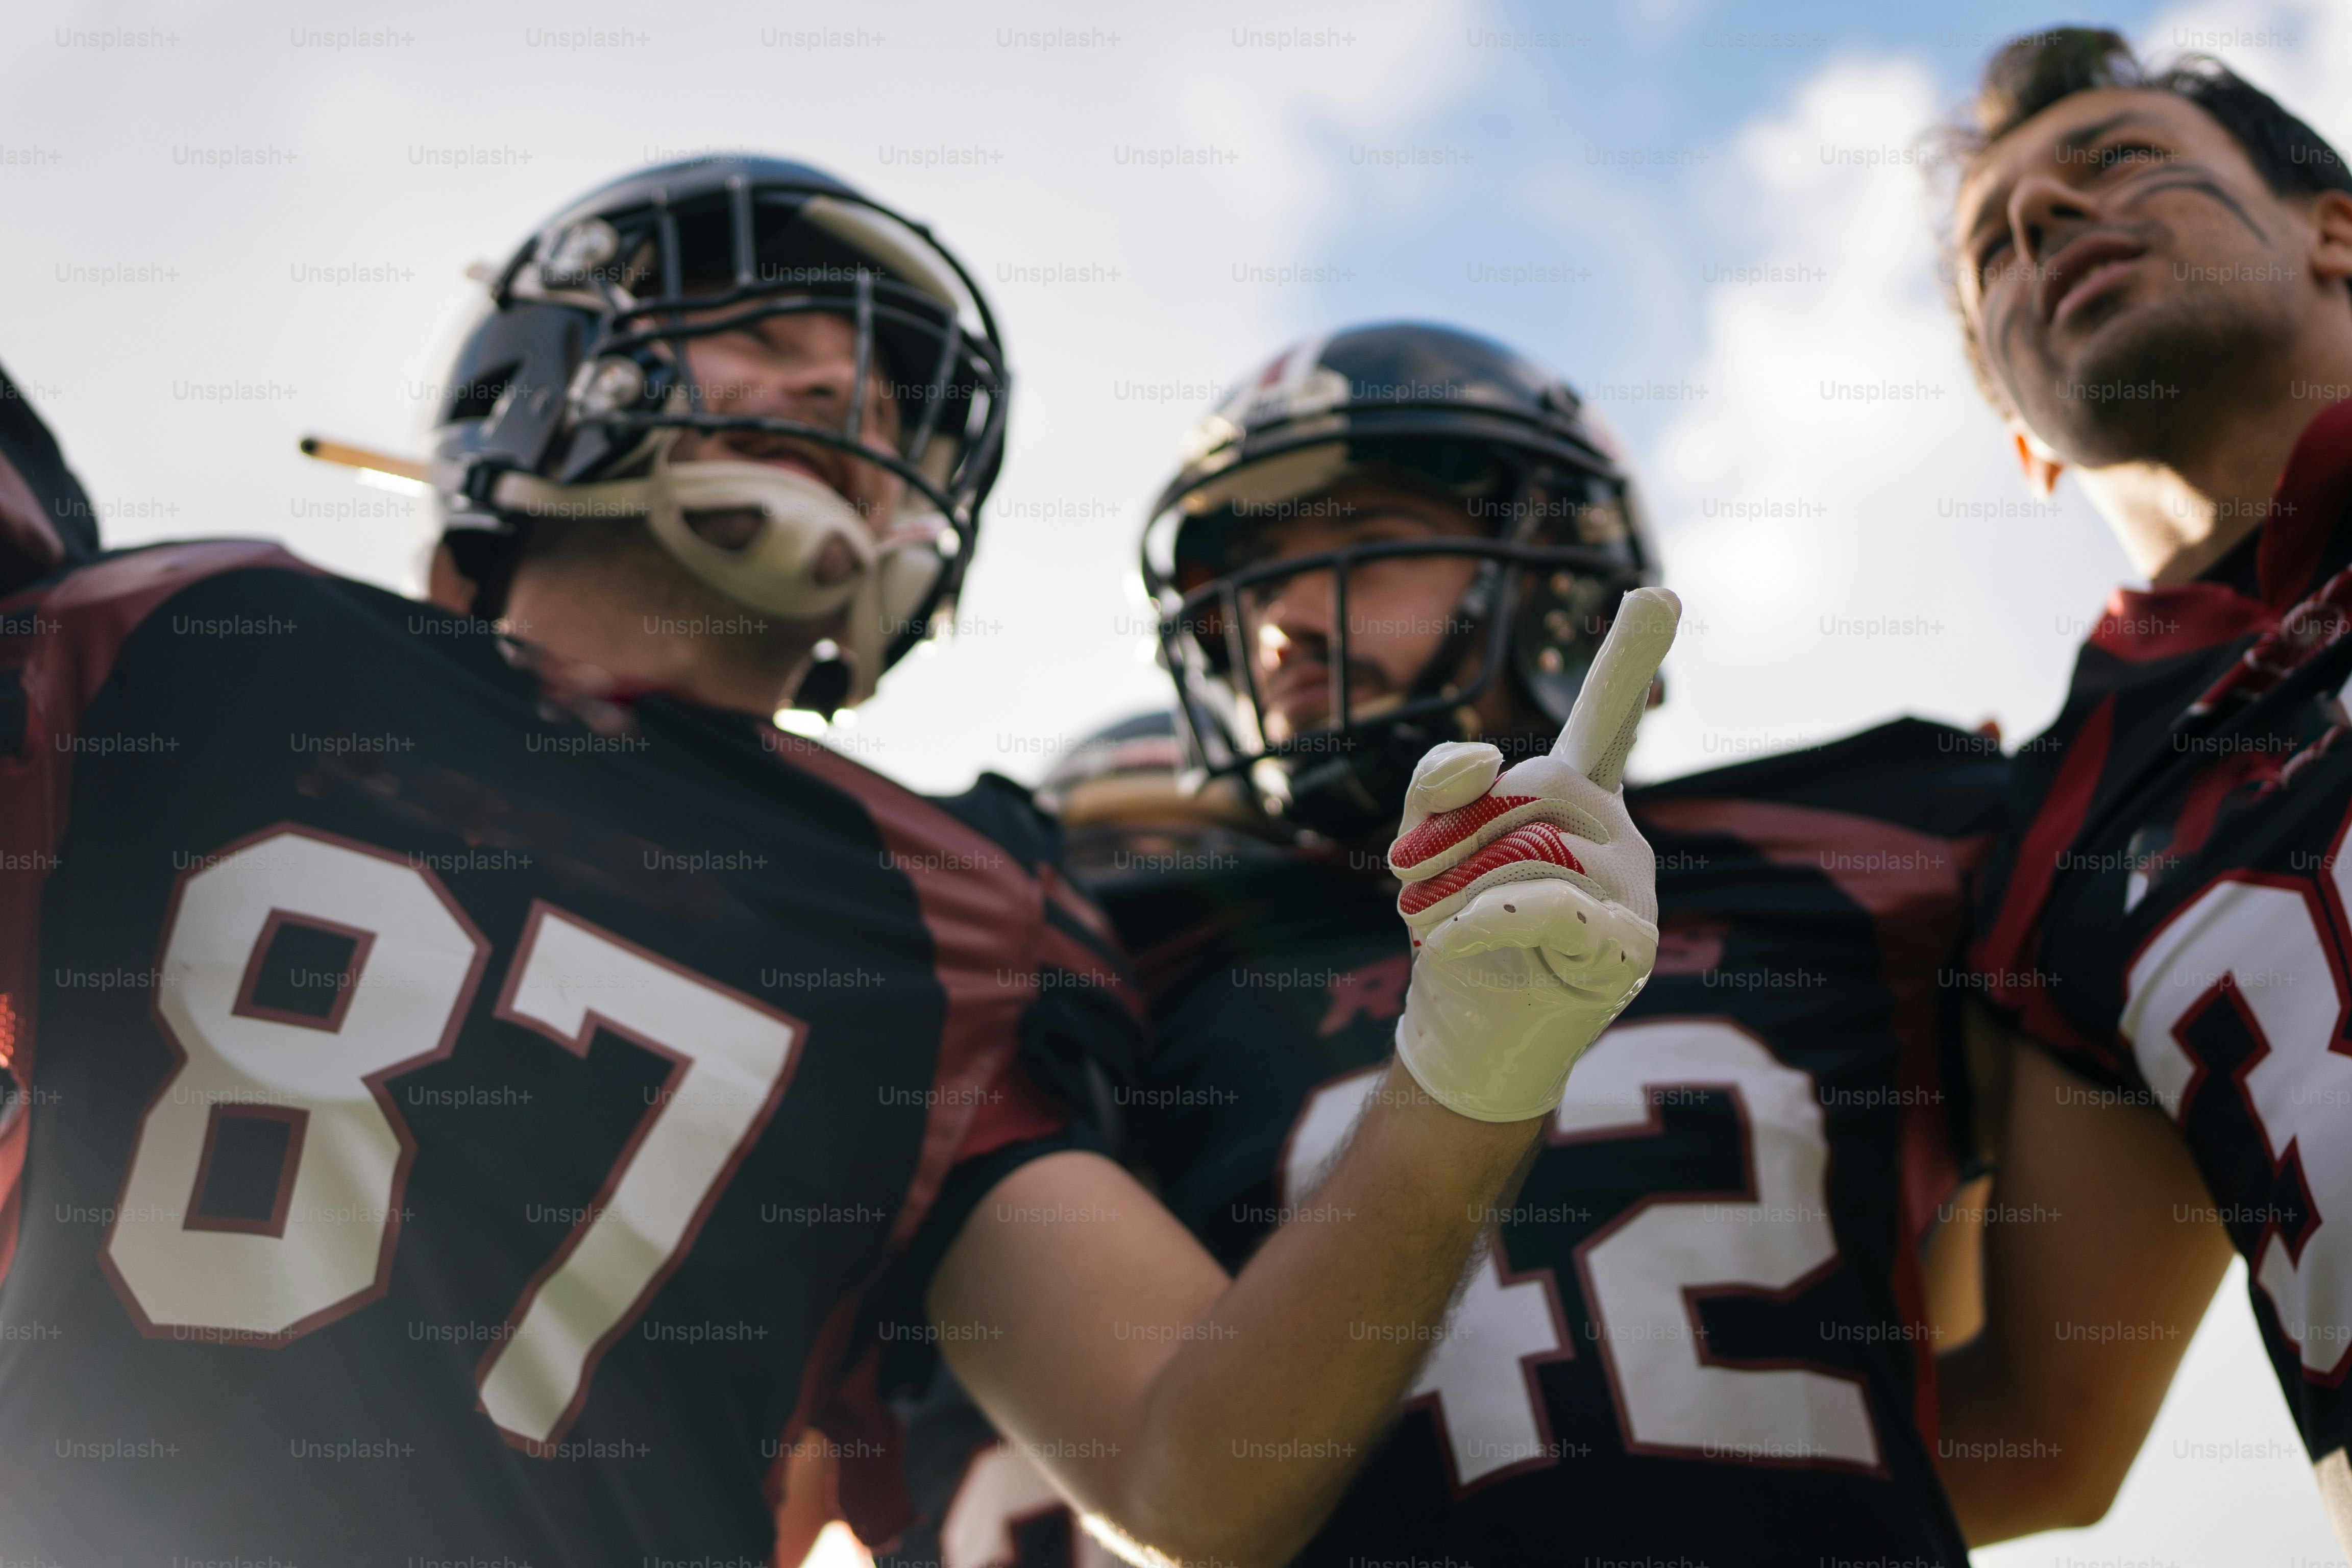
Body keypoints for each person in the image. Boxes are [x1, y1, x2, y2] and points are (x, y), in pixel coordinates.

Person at [0, 164, 1671, 1568]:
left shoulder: (955, 906)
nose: (839, 395)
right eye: (769, 338)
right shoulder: (202, 637)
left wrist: (1468, 1076)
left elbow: (1192, 1468)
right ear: (538, 368)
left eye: (880, 392)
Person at [877, 322, 2008, 1567]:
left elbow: (2036, 1423)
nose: (1284, 626)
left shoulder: (1865, 852)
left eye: (1362, 546)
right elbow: (1179, 1481)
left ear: (1563, 574)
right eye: (1253, 581)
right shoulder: (1121, 964)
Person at [1930, 26, 2352, 1546]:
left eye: (2113, 159)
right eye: (1996, 242)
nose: (2040, 219)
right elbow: (2038, 1431)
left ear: (2338, 230)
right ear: (2018, 437)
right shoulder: (2047, 839)